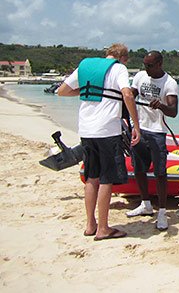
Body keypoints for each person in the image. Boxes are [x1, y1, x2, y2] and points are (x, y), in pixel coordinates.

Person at [57, 43, 141, 241]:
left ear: (107, 54)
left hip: (86, 130)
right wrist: (136, 125)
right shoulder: (119, 68)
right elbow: (127, 94)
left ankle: (90, 225)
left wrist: (87, 91)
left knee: (91, 176)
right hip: (107, 131)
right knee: (106, 178)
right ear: (124, 58)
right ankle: (103, 228)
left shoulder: (85, 66)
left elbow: (62, 91)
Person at [126, 51, 178, 231]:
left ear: (159, 64)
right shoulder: (140, 76)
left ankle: (162, 212)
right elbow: (130, 96)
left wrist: (161, 105)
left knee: (160, 173)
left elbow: (173, 111)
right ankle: (145, 204)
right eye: (145, 65)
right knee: (139, 169)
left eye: (150, 65)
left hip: (157, 132)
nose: (146, 69)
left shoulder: (169, 83)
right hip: (140, 130)